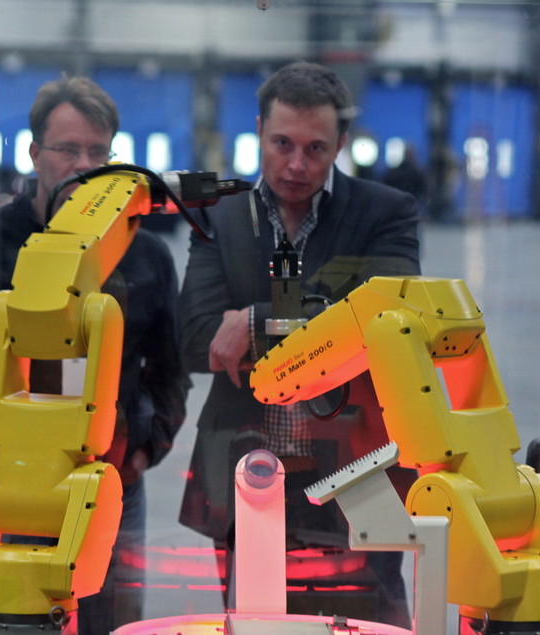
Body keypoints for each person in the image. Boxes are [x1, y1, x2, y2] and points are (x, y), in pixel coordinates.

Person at [0, 76, 189, 633]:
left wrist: (142, 450)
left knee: (111, 624)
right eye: (69, 149)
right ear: (34, 153)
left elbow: (169, 372)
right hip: (4, 489)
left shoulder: (146, 255)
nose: (85, 165)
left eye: (99, 152)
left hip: (108, 483)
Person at [177, 61, 421, 628]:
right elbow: (195, 340)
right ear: (260, 129)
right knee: (250, 621)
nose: (295, 164)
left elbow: (382, 322)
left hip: (354, 469)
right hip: (243, 467)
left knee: (365, 622)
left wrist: (257, 321)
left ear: (342, 143)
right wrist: (323, 324)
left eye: (316, 148)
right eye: (282, 143)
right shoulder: (221, 216)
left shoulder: (384, 213)